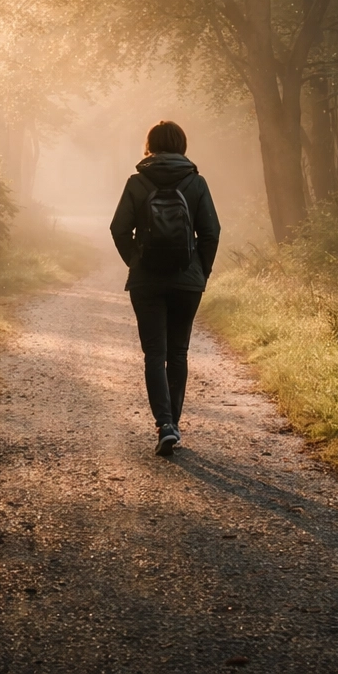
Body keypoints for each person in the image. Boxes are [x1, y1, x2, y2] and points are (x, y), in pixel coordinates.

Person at [109, 120, 221, 456]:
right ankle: (174, 423)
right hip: (188, 281)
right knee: (178, 353)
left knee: (154, 355)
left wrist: (137, 261)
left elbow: (118, 229)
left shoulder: (137, 182)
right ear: (182, 145)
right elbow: (211, 232)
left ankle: (165, 424)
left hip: (147, 281)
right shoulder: (196, 183)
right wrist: (200, 271)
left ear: (150, 146)